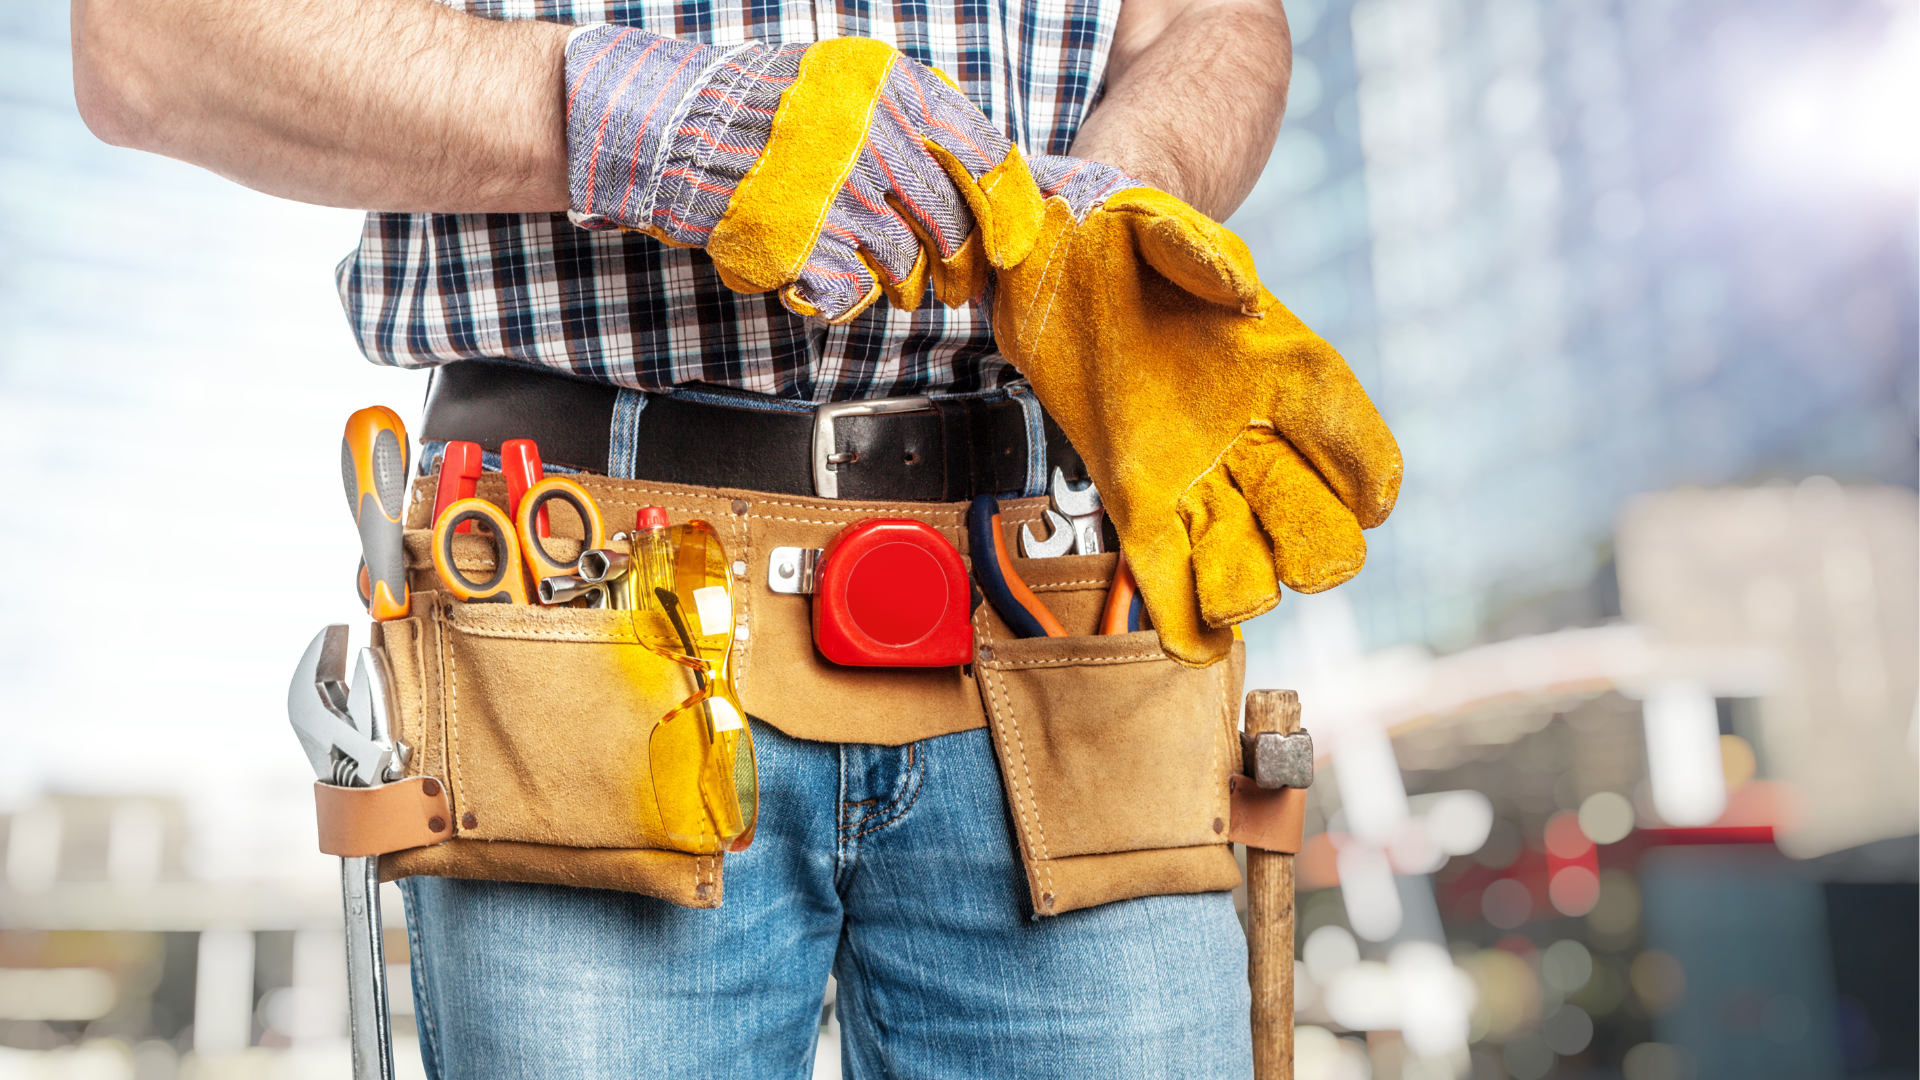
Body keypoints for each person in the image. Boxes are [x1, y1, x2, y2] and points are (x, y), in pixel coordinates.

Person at [72, 1, 1396, 1076]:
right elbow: (148, 40)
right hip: (585, 609)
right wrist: (633, 116)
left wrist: (1111, 209)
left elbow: (1210, 25)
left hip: (1061, 605)